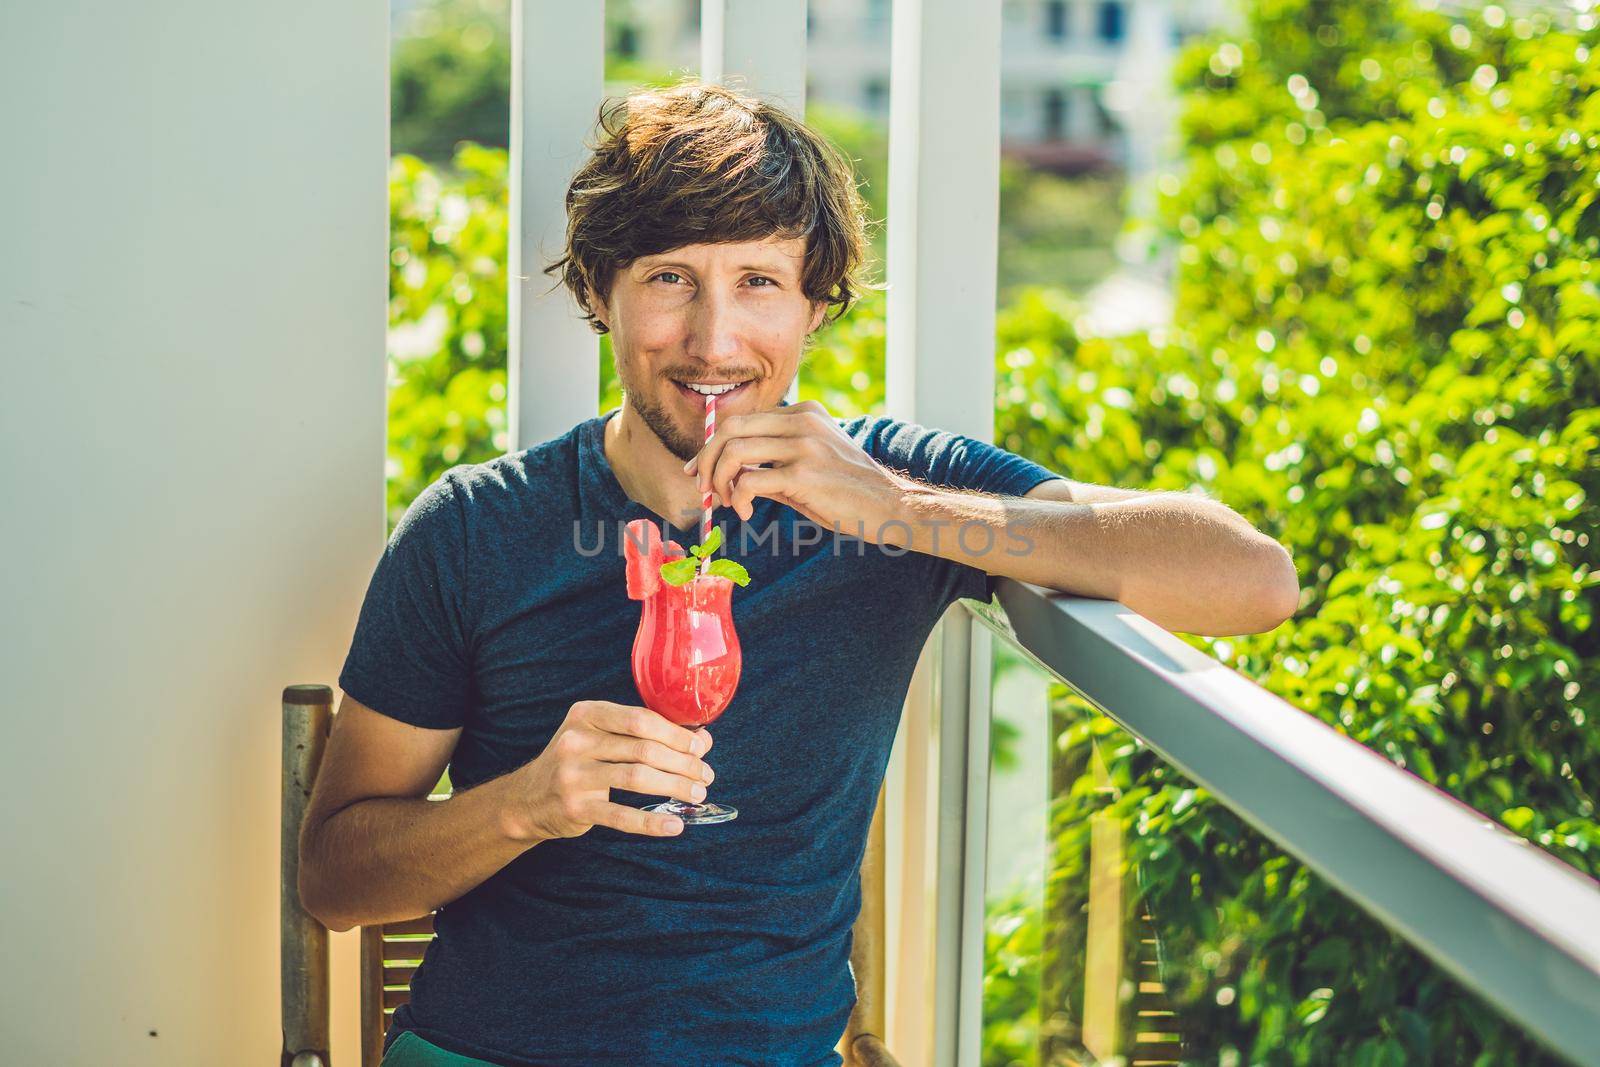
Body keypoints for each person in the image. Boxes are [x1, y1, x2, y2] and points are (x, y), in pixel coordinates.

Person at [298, 80, 1299, 1067]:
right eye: (670, 279)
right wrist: (519, 804)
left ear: (817, 306)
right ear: (600, 293)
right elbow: (333, 878)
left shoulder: (895, 489)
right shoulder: (474, 527)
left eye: (758, 284)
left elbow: (1250, 580)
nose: (712, 340)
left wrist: (904, 513)